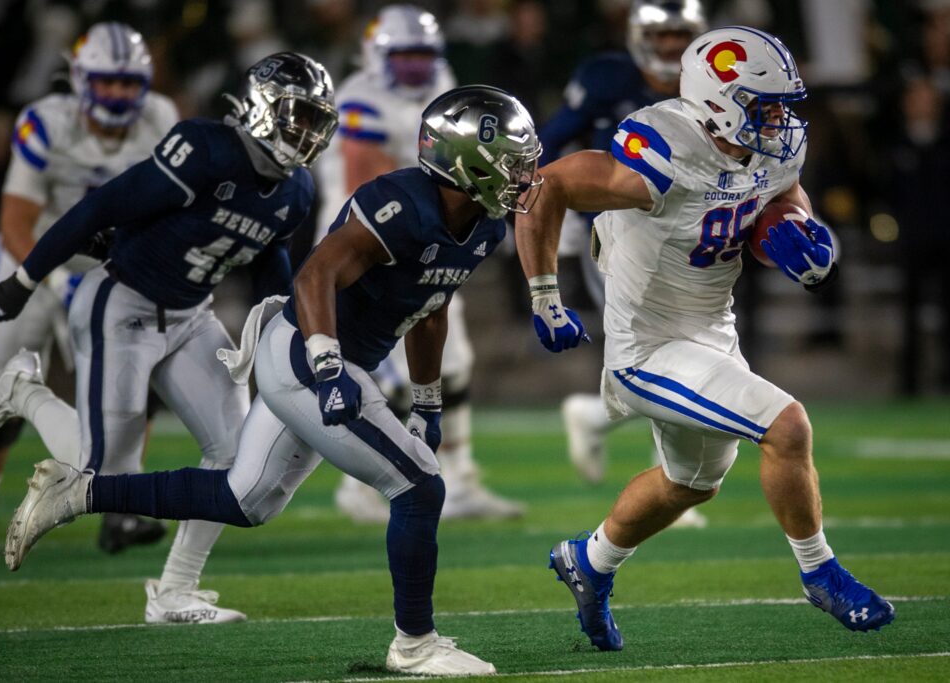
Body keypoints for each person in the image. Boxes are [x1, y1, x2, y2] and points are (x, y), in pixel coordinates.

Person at [0, 84, 544, 676]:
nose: (524, 173)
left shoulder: (485, 224)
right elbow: (313, 277)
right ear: (467, 159)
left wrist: (429, 401)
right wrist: (329, 368)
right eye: (513, 160)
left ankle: (76, 492)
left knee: (244, 499)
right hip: (309, 350)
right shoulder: (400, 203)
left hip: (334, 359)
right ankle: (414, 642)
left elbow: (431, 306)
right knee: (418, 485)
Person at [513, 26, 895, 651]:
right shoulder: (664, 147)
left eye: (782, 105)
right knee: (787, 426)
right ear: (718, 99)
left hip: (712, 330)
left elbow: (782, 196)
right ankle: (820, 571)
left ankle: (590, 561)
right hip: (648, 345)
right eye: (762, 104)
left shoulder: (773, 145)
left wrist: (800, 228)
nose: (778, 118)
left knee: (691, 482)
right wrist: (544, 295)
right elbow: (543, 188)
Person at [0, 52, 338, 624]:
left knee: (235, 455)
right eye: (297, 117)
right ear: (265, 110)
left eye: (316, 122)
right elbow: (101, 205)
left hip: (193, 314)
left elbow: (271, 265)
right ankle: (23, 390)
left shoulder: (297, 190)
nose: (306, 133)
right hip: (121, 301)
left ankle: (174, 592)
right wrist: (24, 280)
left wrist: (288, 337)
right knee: (106, 475)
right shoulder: (205, 148)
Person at [0, 22, 179, 556]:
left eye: (129, 83)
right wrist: (51, 275)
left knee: (129, 384)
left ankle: (119, 512)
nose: (120, 94)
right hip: (32, 260)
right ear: (80, 78)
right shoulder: (45, 123)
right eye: (108, 82)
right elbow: (14, 220)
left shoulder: (162, 121)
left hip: (111, 267)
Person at [316, 4, 522, 522]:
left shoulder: (445, 84)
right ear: (375, 54)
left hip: (432, 239)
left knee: (453, 364)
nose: (414, 66)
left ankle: (460, 477)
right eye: (403, 55)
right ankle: (357, 485)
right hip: (373, 244)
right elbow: (369, 172)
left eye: (422, 55)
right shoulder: (360, 97)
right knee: (381, 376)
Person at [543, 2, 710, 524]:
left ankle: (596, 418)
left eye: (679, 35)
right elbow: (551, 139)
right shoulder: (606, 76)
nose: (668, 47)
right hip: (617, 226)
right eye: (661, 36)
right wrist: (542, 201)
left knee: (689, 346)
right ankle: (674, 478)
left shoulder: (710, 84)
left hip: (692, 227)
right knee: (668, 345)